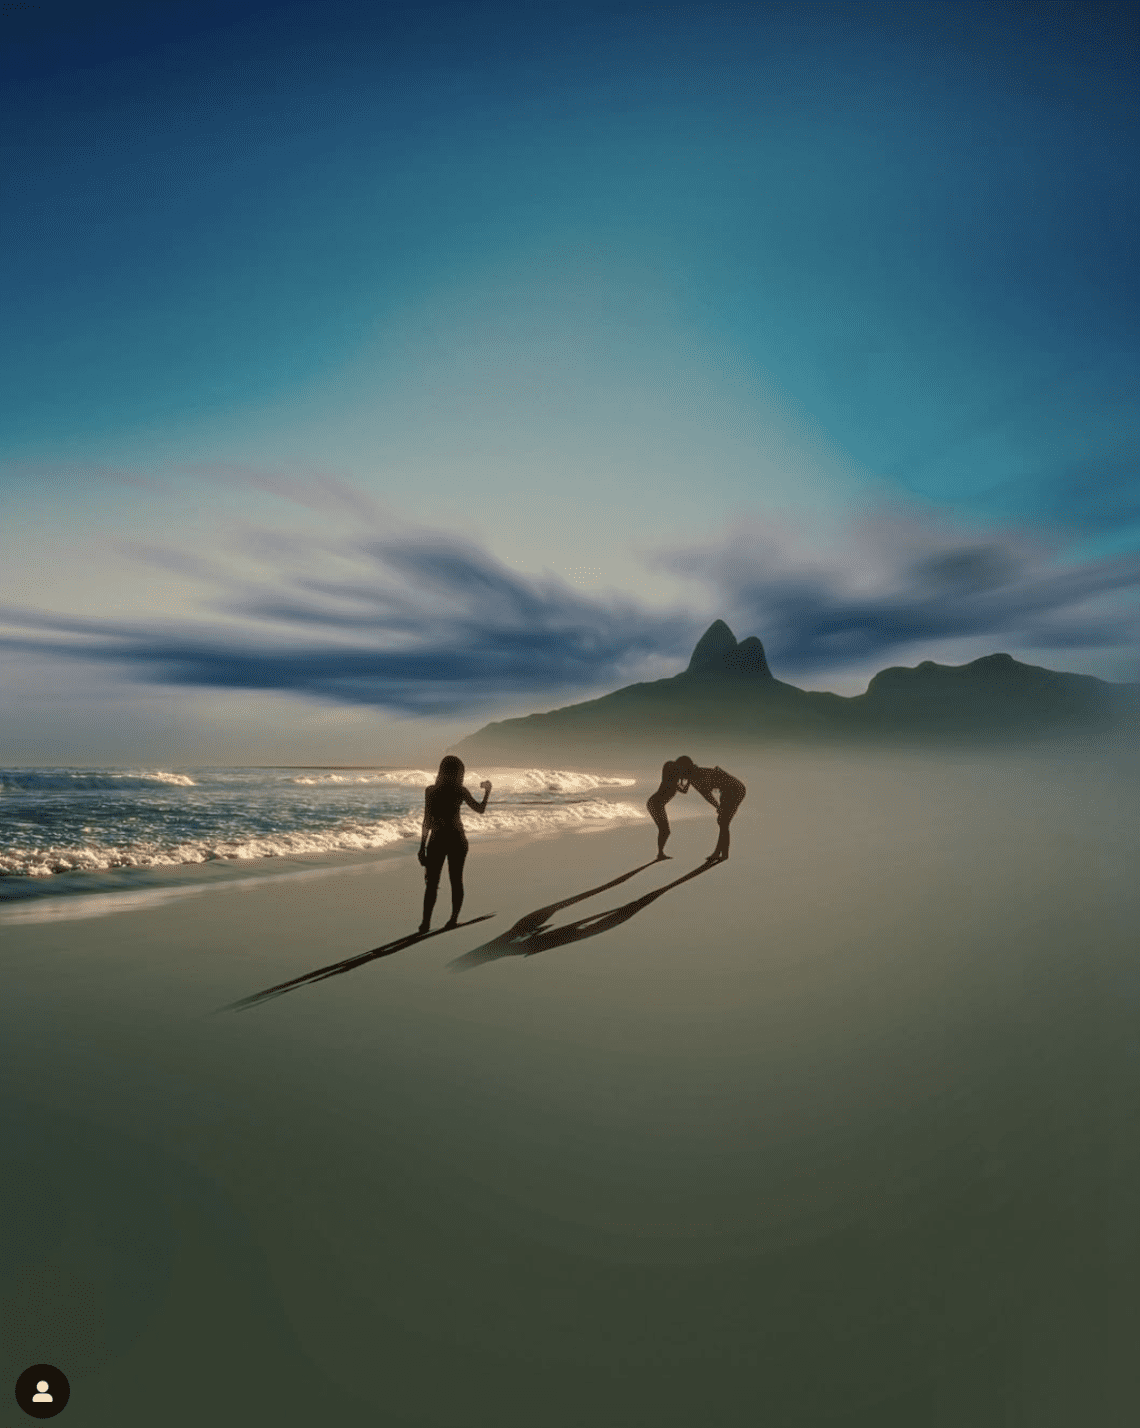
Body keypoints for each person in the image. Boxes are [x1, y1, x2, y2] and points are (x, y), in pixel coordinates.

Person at [417, 757, 491, 933]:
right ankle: (453, 919)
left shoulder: (431, 791)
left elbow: (426, 820)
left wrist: (422, 846)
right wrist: (488, 791)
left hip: (436, 840)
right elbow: (480, 809)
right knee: (456, 881)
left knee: (432, 884)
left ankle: (425, 923)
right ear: (459, 773)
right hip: (457, 839)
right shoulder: (460, 790)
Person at [673, 756, 746, 862]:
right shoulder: (694, 774)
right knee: (722, 822)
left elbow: (707, 795)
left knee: (723, 822)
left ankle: (721, 854)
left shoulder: (696, 778)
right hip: (729, 790)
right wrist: (719, 807)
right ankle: (721, 853)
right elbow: (694, 791)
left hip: (734, 790)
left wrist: (718, 807)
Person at [645, 759, 689, 859]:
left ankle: (660, 853)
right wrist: (687, 779)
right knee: (665, 830)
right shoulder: (670, 782)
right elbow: (684, 789)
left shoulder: (672, 782)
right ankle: (660, 853)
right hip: (656, 804)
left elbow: (684, 789)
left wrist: (685, 779)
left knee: (664, 830)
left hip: (655, 804)